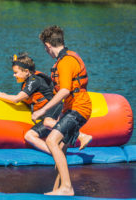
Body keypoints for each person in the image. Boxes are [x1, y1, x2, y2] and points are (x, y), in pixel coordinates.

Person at [0, 53, 91, 154]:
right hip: (45, 116)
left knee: (42, 126)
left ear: (26, 71)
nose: (14, 75)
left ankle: (79, 136)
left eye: (16, 72)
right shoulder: (28, 81)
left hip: (53, 112)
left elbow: (17, 99)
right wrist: (2, 95)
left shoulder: (34, 80)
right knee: (31, 135)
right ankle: (57, 153)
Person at [33, 25, 92, 196]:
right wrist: (61, 114)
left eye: (45, 48)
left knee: (51, 141)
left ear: (48, 45)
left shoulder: (65, 62)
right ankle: (58, 188)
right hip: (73, 109)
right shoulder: (67, 59)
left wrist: (41, 111)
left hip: (79, 109)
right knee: (60, 146)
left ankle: (67, 187)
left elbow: (65, 90)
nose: (46, 51)